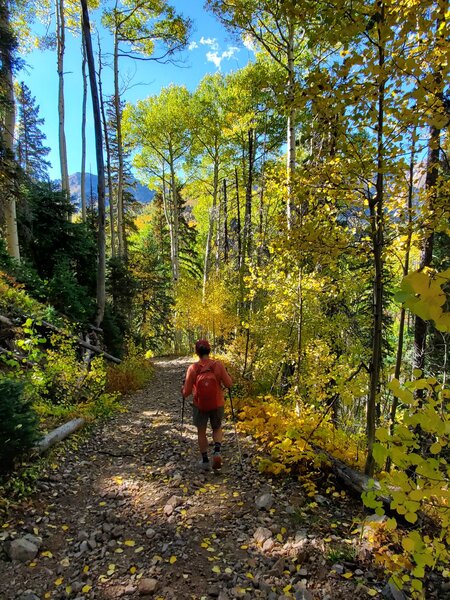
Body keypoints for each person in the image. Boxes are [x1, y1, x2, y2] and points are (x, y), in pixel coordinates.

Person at [182, 339, 232, 470]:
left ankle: (204, 461)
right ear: (209, 351)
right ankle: (217, 451)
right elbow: (229, 384)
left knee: (201, 431)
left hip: (200, 405)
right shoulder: (218, 365)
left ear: (197, 352)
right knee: (216, 427)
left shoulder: (192, 368)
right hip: (217, 403)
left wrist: (183, 389)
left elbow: (186, 392)